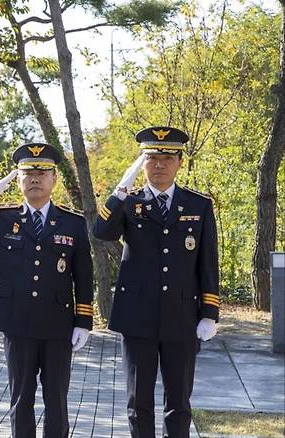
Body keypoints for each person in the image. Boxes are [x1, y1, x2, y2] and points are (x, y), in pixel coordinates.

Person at [0, 143, 94, 438]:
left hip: (58, 324)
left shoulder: (73, 223)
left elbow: (84, 275)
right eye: (27, 173)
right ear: (17, 179)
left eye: (42, 172)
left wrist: (84, 321)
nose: (35, 178)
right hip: (17, 323)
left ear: (54, 178)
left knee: (57, 400)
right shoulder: (3, 219)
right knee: (21, 399)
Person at [93, 126, 219, 438]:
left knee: (179, 402)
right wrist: (121, 188)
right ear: (142, 163)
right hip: (138, 317)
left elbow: (207, 263)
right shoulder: (129, 202)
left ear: (179, 161)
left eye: (166, 157)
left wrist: (209, 313)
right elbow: (102, 231)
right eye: (151, 158)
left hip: (181, 316)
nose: (159, 164)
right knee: (139, 402)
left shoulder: (198, 205)